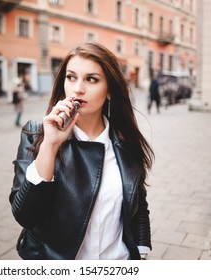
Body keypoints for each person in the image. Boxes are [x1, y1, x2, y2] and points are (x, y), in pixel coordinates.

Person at [9, 42, 154, 260]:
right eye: (71, 77)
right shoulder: (36, 134)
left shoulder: (125, 141)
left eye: (91, 79)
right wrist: (50, 146)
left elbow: (138, 204)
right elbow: (25, 216)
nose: (78, 88)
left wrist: (142, 251)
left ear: (110, 91)